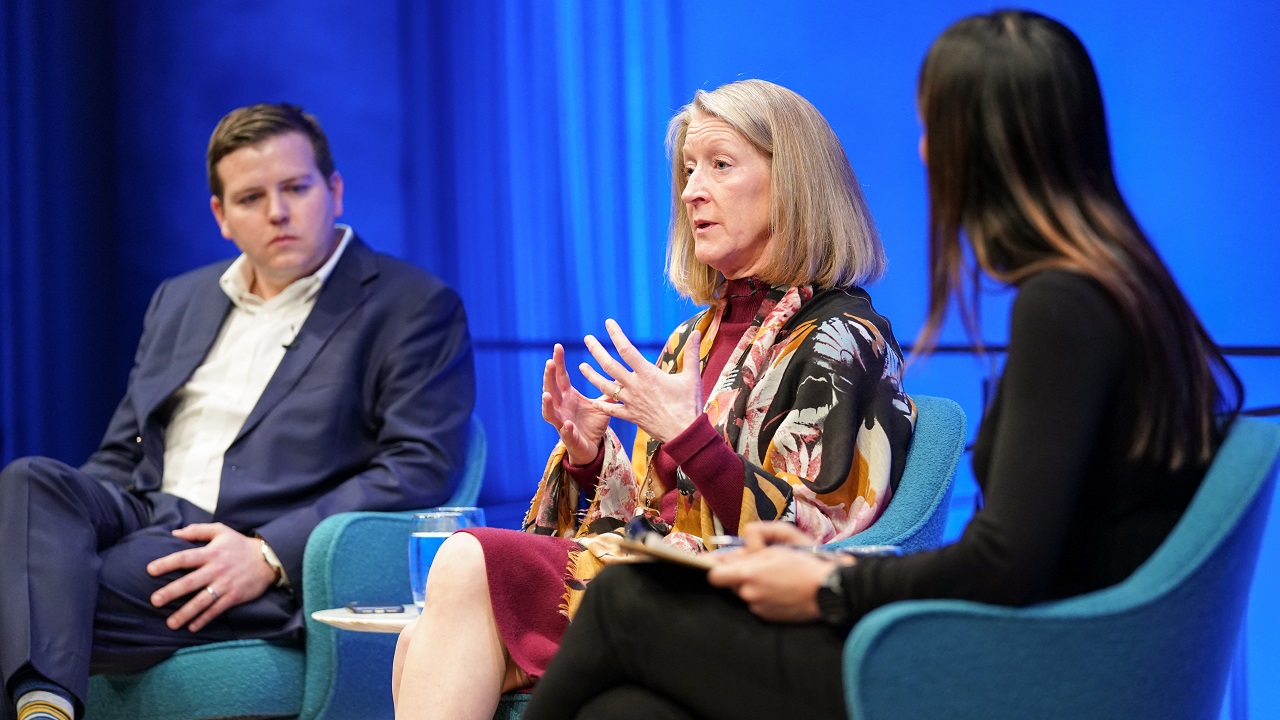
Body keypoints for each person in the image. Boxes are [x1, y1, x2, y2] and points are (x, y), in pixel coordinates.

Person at [521, 10, 1245, 720]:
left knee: (622, 602)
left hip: (1031, 674)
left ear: (981, 146)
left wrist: (828, 583)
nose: (926, 151)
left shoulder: (1063, 308)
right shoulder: (1128, 290)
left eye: (934, 126)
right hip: (1057, 653)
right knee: (628, 707)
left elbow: (1006, 562)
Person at [391, 79, 915, 719]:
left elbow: (817, 535)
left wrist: (690, 435)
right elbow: (646, 518)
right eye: (689, 171)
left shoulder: (843, 341)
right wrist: (587, 456)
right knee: (418, 640)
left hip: (748, 613)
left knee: (467, 556)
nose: (693, 190)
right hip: (656, 585)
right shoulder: (691, 338)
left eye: (721, 165)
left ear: (795, 181)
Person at [0, 103, 475, 720]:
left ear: (333, 189)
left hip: (238, 541)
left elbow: (420, 464)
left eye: (296, 188)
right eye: (251, 198)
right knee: (29, 482)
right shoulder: (181, 297)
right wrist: (57, 537)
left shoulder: (413, 305)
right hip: (145, 508)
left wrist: (268, 553)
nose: (277, 212)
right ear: (221, 216)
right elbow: (125, 449)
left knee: (45, 587)